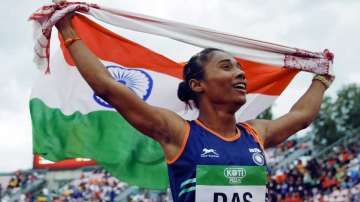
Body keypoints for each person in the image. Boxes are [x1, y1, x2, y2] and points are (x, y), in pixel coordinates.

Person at [54, 8, 334, 202]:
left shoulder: (256, 133)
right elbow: (109, 87)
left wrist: (321, 78)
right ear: (198, 85)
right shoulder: (178, 132)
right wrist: (67, 30)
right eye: (227, 67)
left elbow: (301, 116)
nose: (240, 74)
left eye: (240, 69)